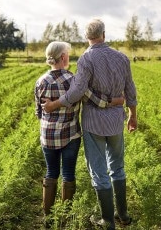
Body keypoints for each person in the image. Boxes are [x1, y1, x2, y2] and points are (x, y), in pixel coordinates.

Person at [43, 19, 137, 230]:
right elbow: (130, 90)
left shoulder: (86, 59)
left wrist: (54, 104)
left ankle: (108, 222)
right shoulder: (122, 58)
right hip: (115, 122)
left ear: (87, 37)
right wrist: (133, 115)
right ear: (104, 34)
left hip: (94, 122)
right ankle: (123, 215)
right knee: (118, 168)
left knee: (99, 171)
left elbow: (77, 92)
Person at [34, 41, 123, 226]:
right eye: (68, 54)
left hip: (47, 136)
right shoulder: (74, 80)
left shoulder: (40, 81)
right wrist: (115, 101)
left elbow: (39, 112)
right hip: (70, 135)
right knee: (68, 174)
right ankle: (64, 217)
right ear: (64, 57)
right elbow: (95, 99)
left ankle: (48, 218)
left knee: (51, 172)